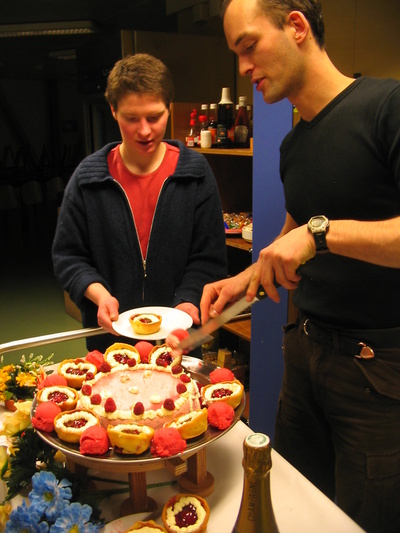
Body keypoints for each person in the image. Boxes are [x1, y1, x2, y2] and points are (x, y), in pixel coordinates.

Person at [199, 1, 400, 531]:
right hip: (306, 350)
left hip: (377, 368)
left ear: (296, 26)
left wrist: (321, 235)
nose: (242, 67)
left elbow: (314, 233)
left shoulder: (388, 105)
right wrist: (245, 277)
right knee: (292, 503)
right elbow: (296, 229)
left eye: (248, 46)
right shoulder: (294, 142)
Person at [52, 53, 227, 353]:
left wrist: (188, 299)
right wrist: (99, 294)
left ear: (169, 108)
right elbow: (69, 257)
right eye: (132, 119)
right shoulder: (87, 179)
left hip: (177, 339)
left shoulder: (195, 174)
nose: (144, 130)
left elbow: (208, 257)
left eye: (154, 117)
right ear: (113, 111)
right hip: (109, 343)